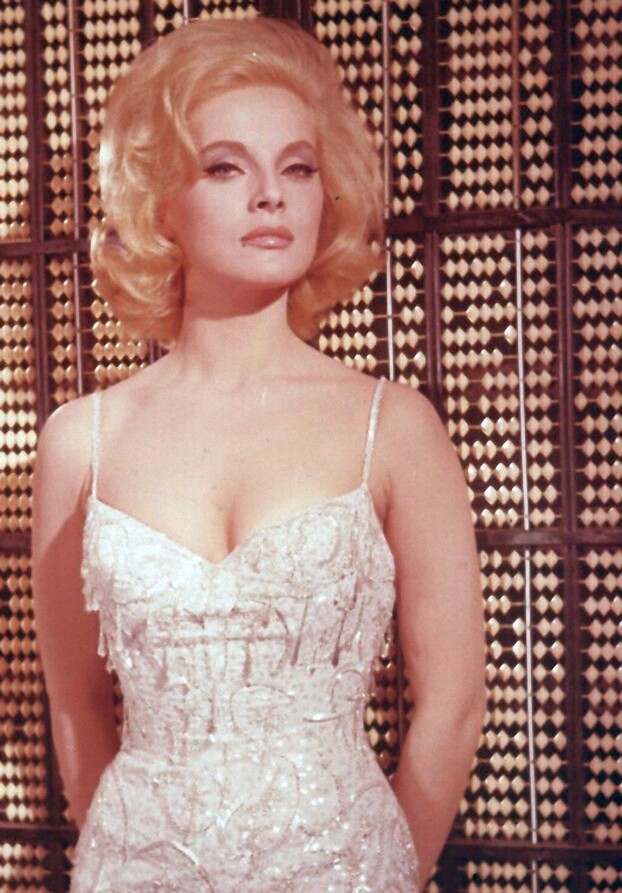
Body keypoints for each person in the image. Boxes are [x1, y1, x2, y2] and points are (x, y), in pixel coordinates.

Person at [32, 16, 486, 893]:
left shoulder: (394, 427)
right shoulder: (79, 439)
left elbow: (454, 706)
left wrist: (385, 872)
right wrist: (124, 854)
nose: (271, 195)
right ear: (160, 203)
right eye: (226, 167)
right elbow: (75, 702)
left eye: (299, 168)